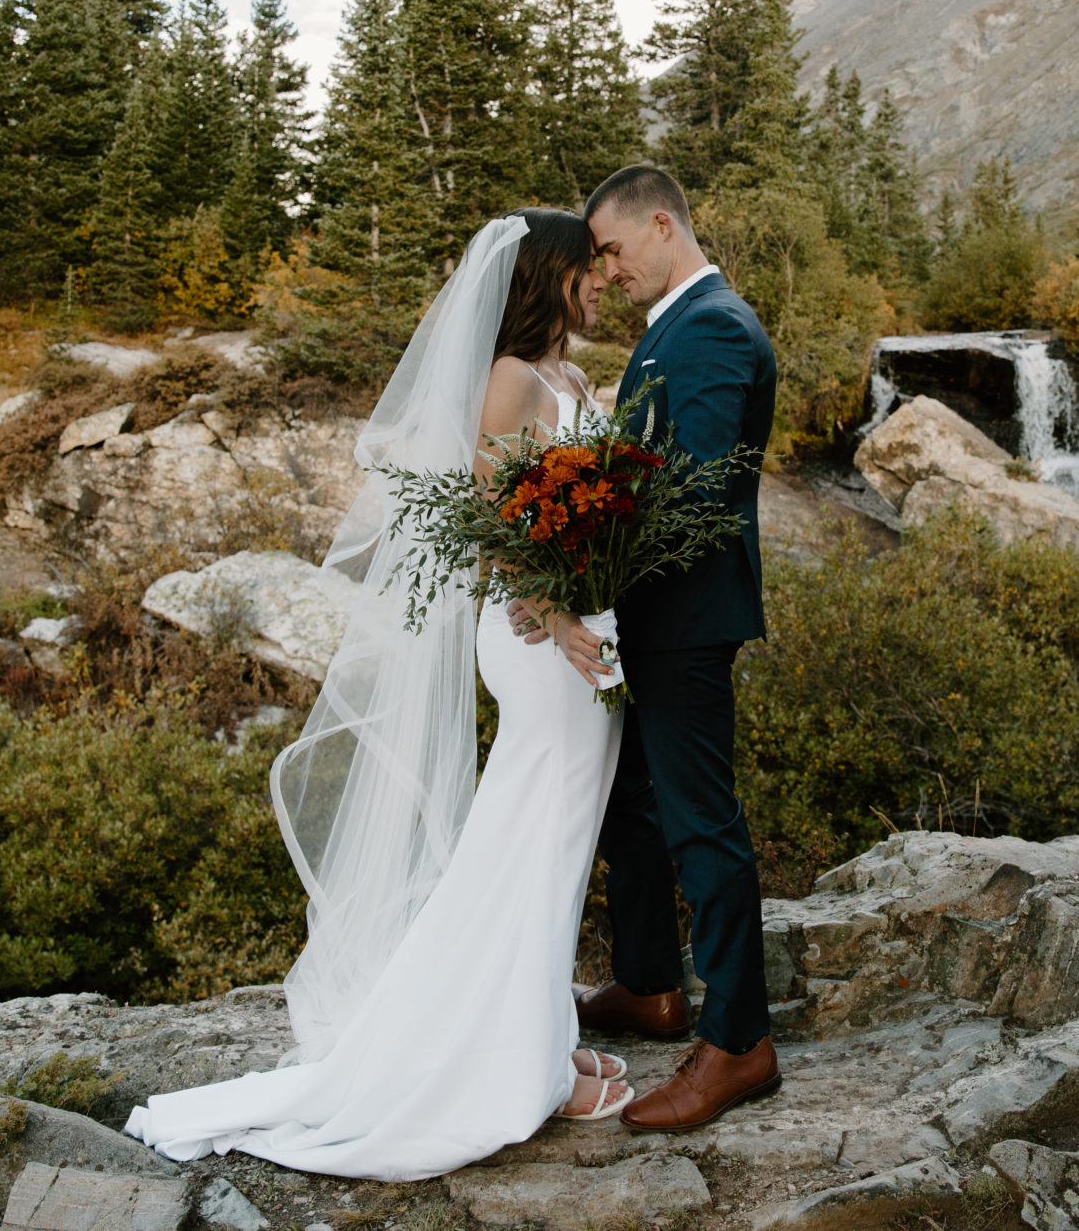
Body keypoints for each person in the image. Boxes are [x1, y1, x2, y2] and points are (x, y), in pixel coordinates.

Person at [123, 210, 642, 1180]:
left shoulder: (566, 377)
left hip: (585, 631)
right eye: (587, 270)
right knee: (531, 840)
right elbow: (492, 522)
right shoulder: (509, 382)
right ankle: (517, 1061)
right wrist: (558, 614)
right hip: (542, 640)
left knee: (553, 844)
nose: (602, 283)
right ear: (547, 279)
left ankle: (526, 1031)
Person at [518, 163, 782, 1131]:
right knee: (635, 806)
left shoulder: (711, 326)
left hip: (684, 616)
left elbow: (696, 490)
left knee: (700, 823)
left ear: (662, 225)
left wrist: (575, 551)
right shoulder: (675, 324)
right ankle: (648, 985)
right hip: (645, 611)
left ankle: (740, 1043)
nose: (609, 271)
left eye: (615, 250)